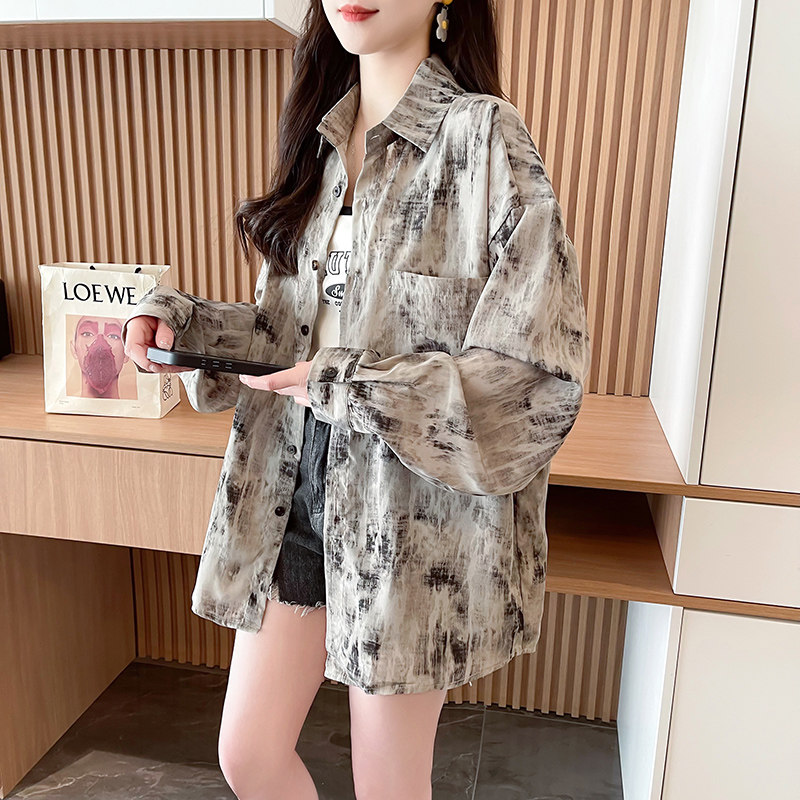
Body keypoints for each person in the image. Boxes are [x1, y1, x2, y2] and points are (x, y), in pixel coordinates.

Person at [122, 1, 591, 798]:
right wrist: (182, 323)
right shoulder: (320, 145)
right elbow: (286, 336)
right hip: (291, 489)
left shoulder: (482, 138)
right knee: (249, 754)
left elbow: (534, 380)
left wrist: (351, 384)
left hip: (407, 515)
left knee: (388, 783)